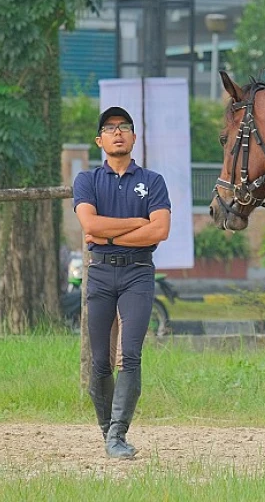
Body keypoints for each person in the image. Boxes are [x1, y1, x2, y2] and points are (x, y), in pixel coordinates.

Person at [73, 107, 171, 459]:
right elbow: (90, 225)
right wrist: (136, 223)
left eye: (124, 127)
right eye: (110, 128)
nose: (118, 132)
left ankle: (118, 434)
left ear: (134, 137)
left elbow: (160, 230)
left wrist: (109, 235)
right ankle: (108, 431)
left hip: (138, 273)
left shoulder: (153, 181)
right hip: (100, 273)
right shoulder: (87, 181)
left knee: (129, 354)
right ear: (99, 140)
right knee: (100, 359)